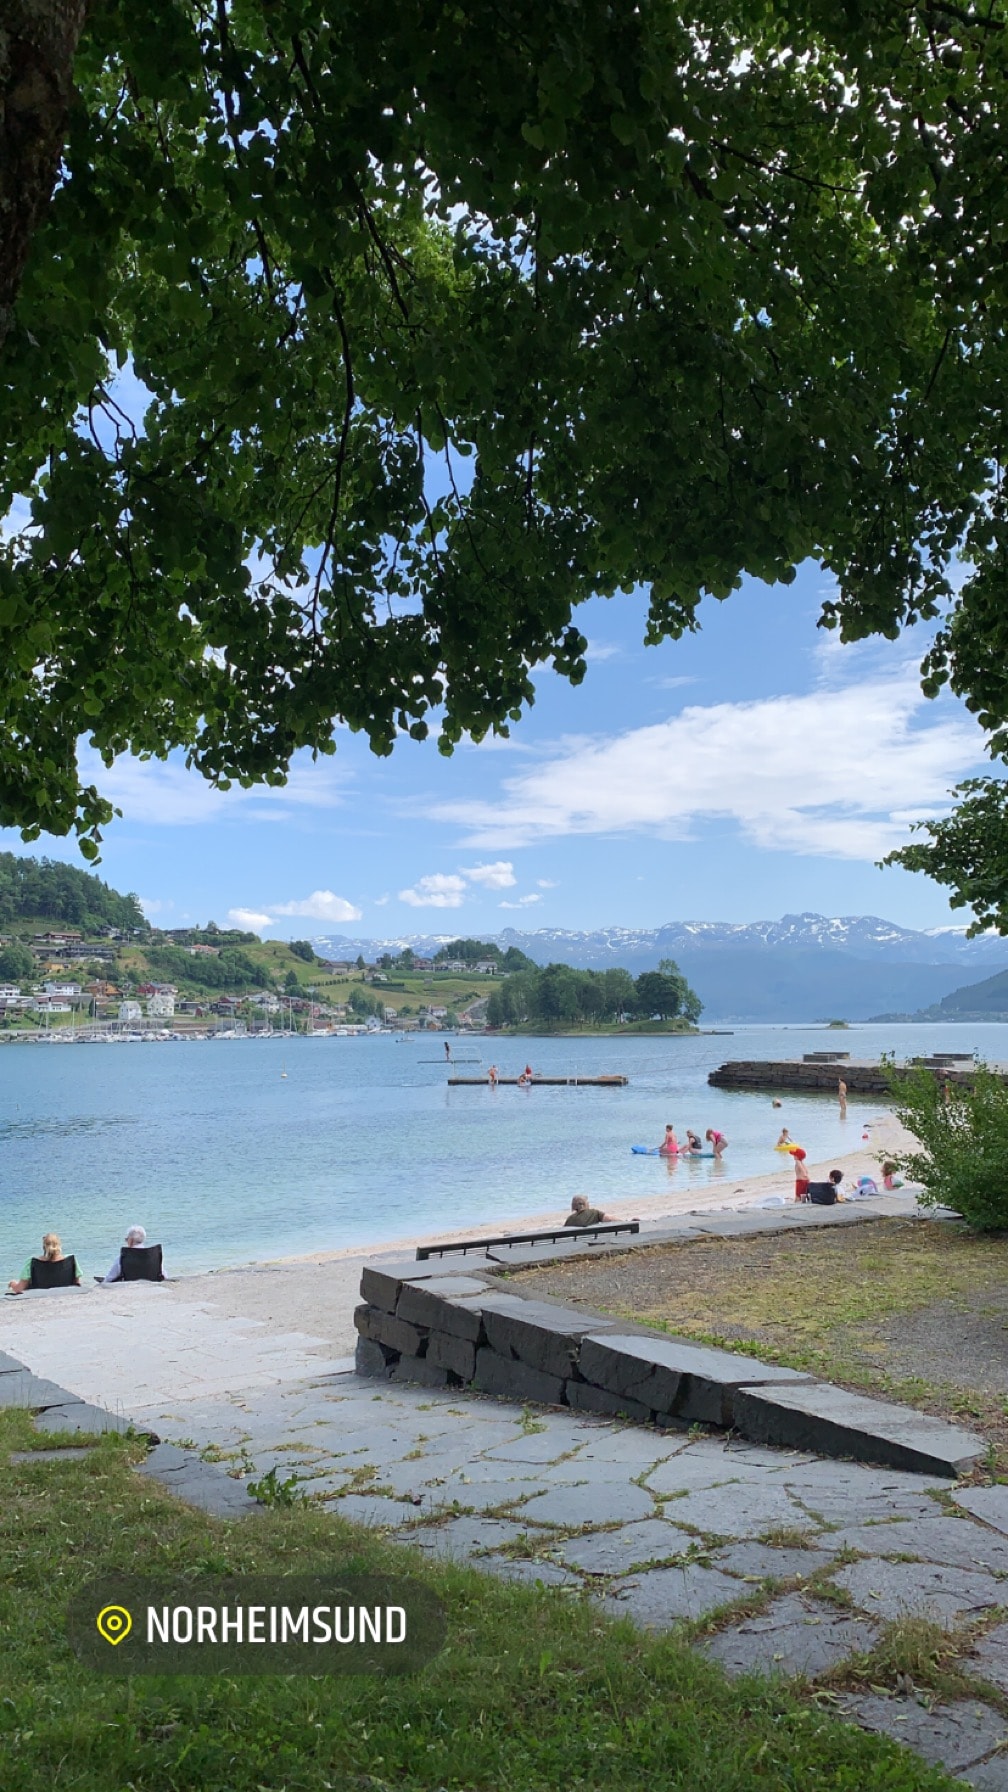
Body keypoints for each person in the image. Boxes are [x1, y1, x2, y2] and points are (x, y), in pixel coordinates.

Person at [8, 1232, 82, 1294]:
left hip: (38, 1297)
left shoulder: (32, 1262)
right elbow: (77, 1284)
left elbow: (19, 1289)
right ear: (59, 1245)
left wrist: (12, 1284)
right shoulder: (71, 1260)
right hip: (65, 1295)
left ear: (44, 1247)